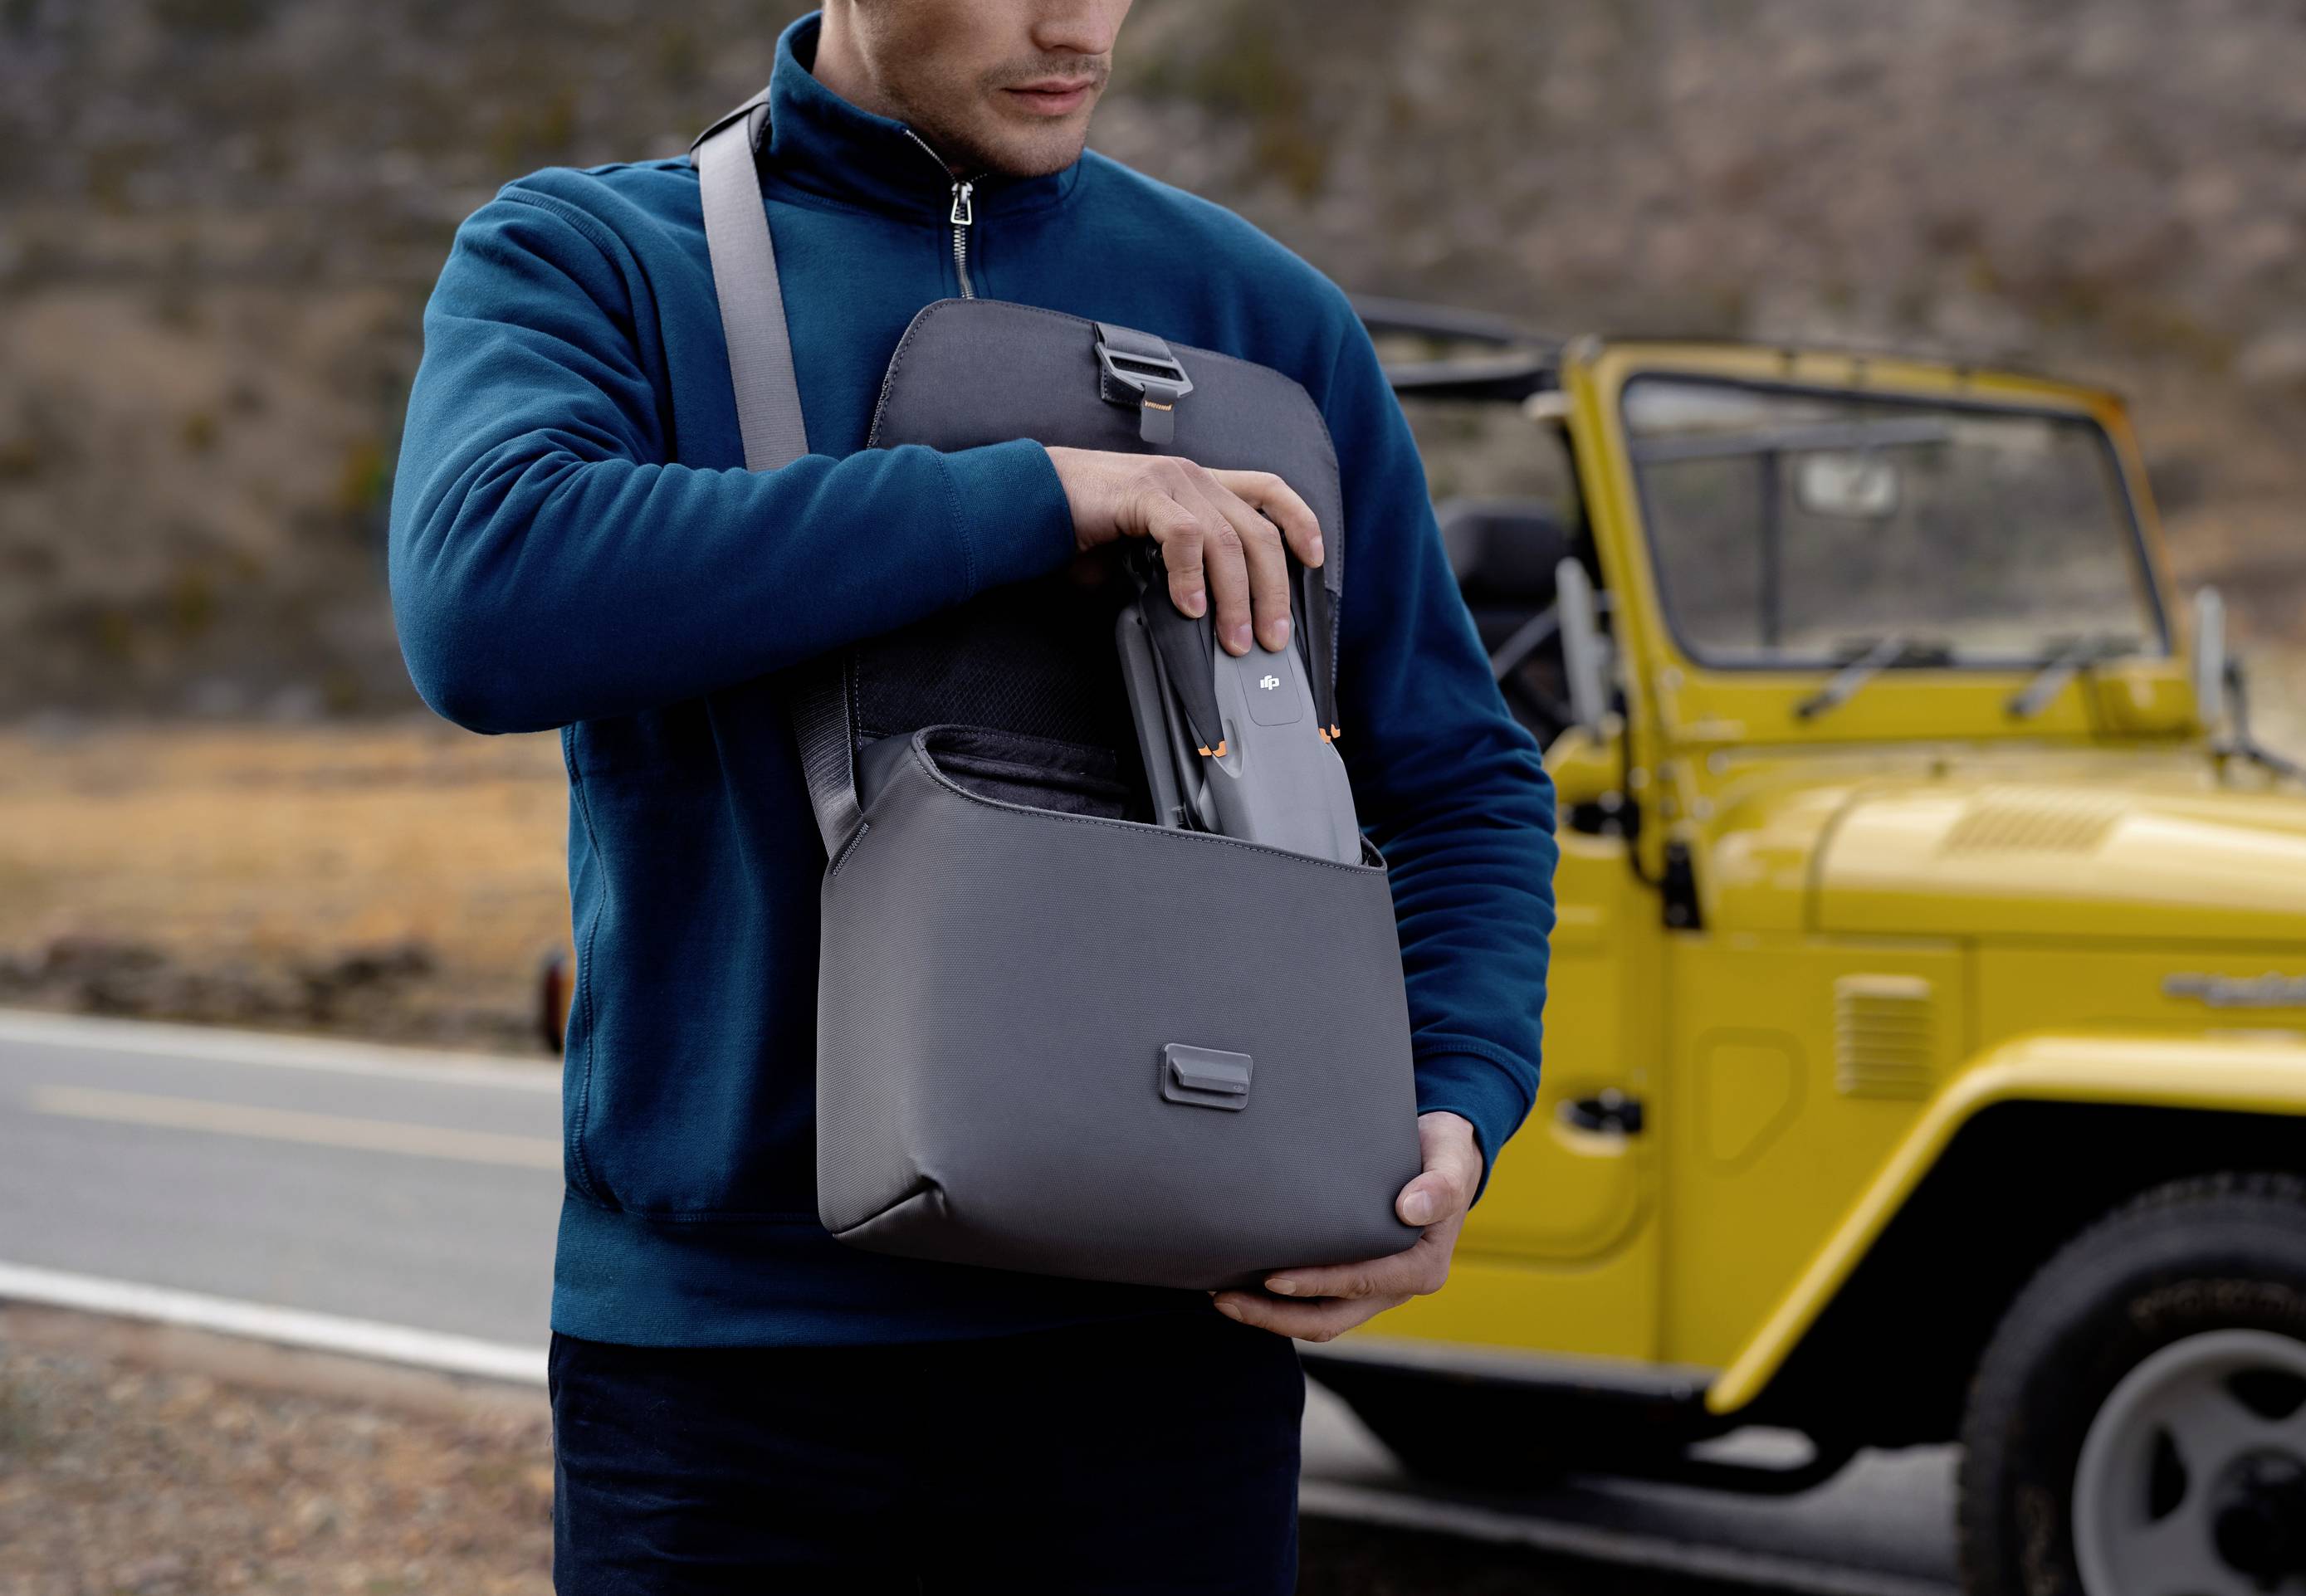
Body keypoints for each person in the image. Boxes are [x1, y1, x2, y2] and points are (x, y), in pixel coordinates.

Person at [388, 3, 1557, 1589]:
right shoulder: (598, 256)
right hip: (732, 1374)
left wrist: (1461, 1104)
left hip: (1166, 1361)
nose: (1075, 20)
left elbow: (1463, 782)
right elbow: (489, 601)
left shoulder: (1262, 316)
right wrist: (1038, 490)